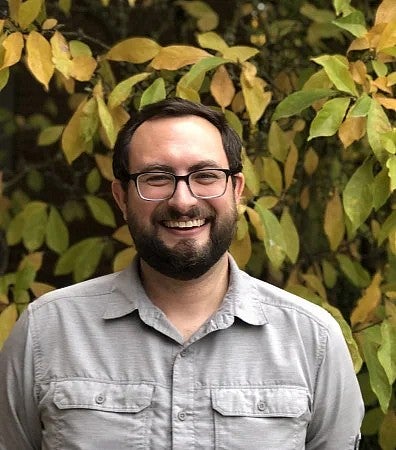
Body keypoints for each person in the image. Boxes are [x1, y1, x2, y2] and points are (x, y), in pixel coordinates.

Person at [0, 98, 364, 449]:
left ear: (236, 190)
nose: (183, 201)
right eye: (156, 177)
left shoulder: (312, 341)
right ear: (122, 197)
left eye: (205, 175)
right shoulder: (45, 333)